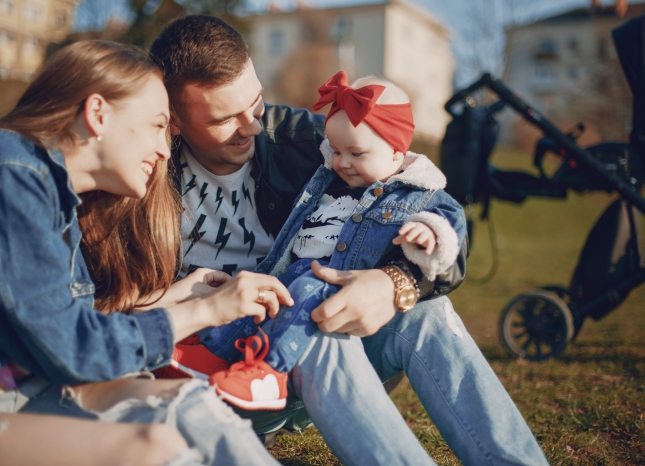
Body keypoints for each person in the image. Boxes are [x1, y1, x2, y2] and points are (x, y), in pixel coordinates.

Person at [150, 15, 549, 465]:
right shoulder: (142, 173)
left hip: (335, 360)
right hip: (224, 364)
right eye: (225, 119)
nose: (253, 127)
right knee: (313, 318)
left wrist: (395, 281)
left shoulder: (313, 143)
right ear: (174, 121)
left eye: (257, 103)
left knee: (426, 313)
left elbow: (432, 211)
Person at [0, 40, 291, 466]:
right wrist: (208, 312)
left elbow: (66, 318)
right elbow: (72, 347)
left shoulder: (58, 197)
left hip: (40, 388)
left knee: (192, 404)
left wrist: (180, 294)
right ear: (97, 114)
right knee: (155, 448)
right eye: (157, 125)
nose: (166, 150)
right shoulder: (4, 174)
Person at [166, 72, 466, 412]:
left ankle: (269, 372)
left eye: (254, 104)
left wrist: (417, 251)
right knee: (262, 296)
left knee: (313, 295)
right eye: (336, 151)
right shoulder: (327, 170)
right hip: (290, 276)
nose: (341, 162)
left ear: (397, 151)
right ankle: (210, 353)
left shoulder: (412, 191)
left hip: (334, 292)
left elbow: (450, 232)